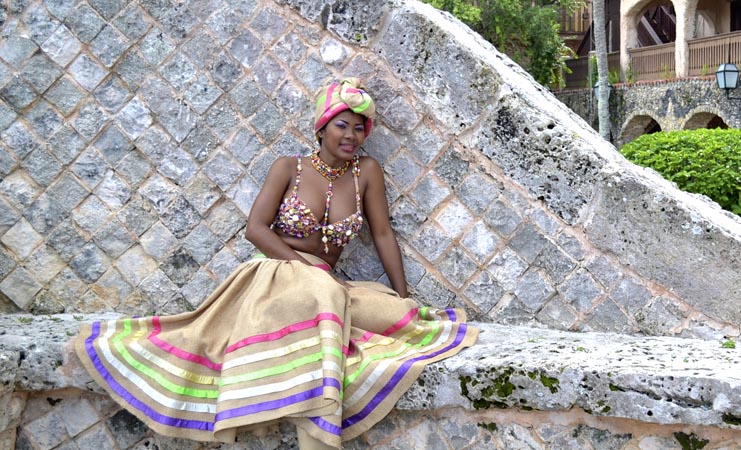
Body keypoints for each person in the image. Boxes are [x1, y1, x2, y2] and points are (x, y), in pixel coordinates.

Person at [74, 78, 478, 450]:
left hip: (323, 282)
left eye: (359, 127)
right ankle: (316, 434)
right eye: (341, 125)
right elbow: (255, 229)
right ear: (321, 128)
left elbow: (384, 234)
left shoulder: (366, 173)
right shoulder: (289, 167)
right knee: (323, 296)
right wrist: (302, 268)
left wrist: (402, 294)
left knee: (394, 317)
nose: (351, 135)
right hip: (275, 271)